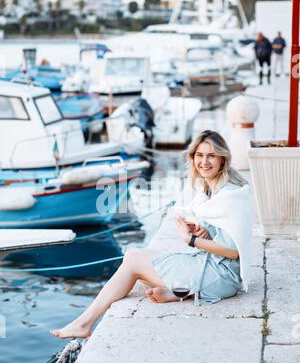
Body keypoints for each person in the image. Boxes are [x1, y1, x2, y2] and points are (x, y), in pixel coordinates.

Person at [51, 131, 253, 340]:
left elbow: (232, 251)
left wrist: (192, 240)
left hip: (222, 277)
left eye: (211, 155)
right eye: (199, 155)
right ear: (192, 158)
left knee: (133, 263)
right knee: (133, 256)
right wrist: (207, 234)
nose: (204, 161)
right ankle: (178, 293)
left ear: (222, 159)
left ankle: (83, 324)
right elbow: (226, 237)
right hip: (213, 267)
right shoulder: (213, 190)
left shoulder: (230, 196)